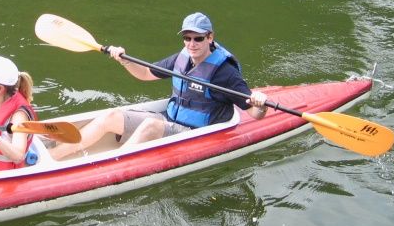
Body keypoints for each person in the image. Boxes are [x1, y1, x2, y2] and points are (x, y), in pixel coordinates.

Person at [50, 12, 268, 160]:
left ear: (210, 37)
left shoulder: (225, 73)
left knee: (150, 126)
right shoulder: (182, 57)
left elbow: (255, 114)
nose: (191, 44)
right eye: (187, 38)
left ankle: (108, 166)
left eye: (198, 39)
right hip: (171, 119)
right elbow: (145, 74)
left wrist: (261, 103)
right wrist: (125, 61)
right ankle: (53, 157)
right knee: (112, 116)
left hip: (196, 133)